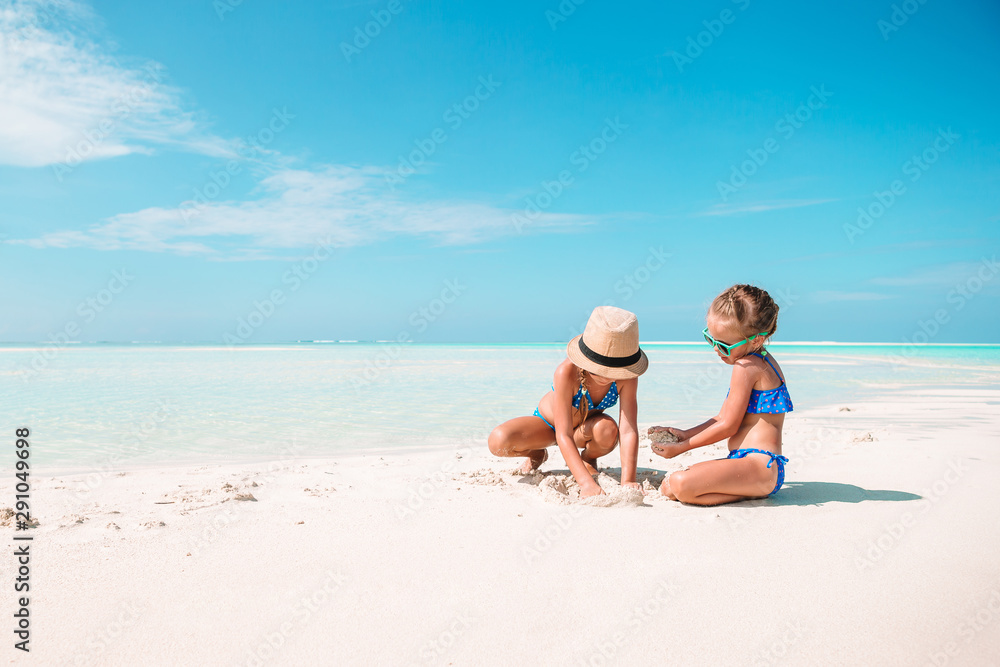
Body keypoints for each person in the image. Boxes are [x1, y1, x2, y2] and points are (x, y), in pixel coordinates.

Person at [650, 284, 792, 505]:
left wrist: (682, 448)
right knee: (674, 488)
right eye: (711, 340)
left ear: (756, 340)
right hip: (756, 467)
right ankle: (749, 492)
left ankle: (752, 491)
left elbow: (728, 426)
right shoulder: (761, 359)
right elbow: (721, 417)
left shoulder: (747, 366)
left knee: (677, 484)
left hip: (759, 466)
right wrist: (685, 434)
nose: (716, 349)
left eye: (724, 345)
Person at [488, 306, 648, 498]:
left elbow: (628, 430)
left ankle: (588, 458)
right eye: (599, 368)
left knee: (608, 429)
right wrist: (586, 484)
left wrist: (628, 480)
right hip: (548, 427)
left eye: (613, 371)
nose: (606, 376)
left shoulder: (627, 377)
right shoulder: (566, 372)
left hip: (584, 431)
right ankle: (537, 454)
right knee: (498, 441)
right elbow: (563, 434)